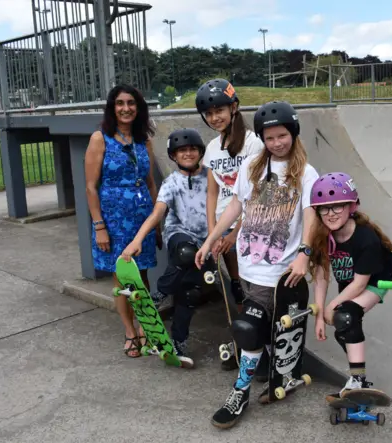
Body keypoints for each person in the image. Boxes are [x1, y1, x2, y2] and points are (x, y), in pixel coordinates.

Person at [194, 100, 319, 429]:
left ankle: (240, 391)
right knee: (266, 327)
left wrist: (305, 253)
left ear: (293, 133)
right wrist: (211, 239)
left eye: (282, 135)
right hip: (248, 267)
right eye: (270, 137)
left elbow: (311, 215)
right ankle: (280, 372)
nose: (277, 142)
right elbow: (236, 205)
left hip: (278, 273)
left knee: (246, 328)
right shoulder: (252, 166)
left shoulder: (306, 173)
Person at [119, 128, 211, 369]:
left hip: (206, 243)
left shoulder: (212, 177)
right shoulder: (172, 182)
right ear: (173, 156)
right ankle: (158, 296)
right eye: (182, 151)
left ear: (200, 152)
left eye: (192, 149)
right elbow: (158, 212)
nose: (188, 154)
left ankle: (178, 342)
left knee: (189, 295)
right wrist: (138, 239)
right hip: (179, 238)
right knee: (185, 253)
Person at [84, 84, 162, 359]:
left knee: (141, 275)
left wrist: (157, 224)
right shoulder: (100, 139)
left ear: (138, 108)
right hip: (114, 222)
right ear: (112, 108)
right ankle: (129, 330)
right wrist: (99, 227)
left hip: (142, 219)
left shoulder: (144, 141)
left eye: (131, 103)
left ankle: (145, 326)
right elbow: (91, 187)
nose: (126, 108)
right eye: (120, 103)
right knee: (122, 278)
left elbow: (151, 183)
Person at [195, 78, 265, 371]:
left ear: (234, 107)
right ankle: (244, 342)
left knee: (254, 289)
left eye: (219, 110)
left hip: (249, 225)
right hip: (224, 226)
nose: (215, 117)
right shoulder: (212, 147)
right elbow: (212, 192)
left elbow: (257, 194)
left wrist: (236, 233)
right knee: (237, 288)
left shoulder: (252, 143)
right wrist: (213, 234)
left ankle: (262, 348)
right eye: (209, 114)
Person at [307, 172, 392, 402]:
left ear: (351, 206)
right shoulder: (321, 236)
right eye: (324, 209)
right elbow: (321, 275)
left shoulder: (366, 238)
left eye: (337, 207)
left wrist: (333, 305)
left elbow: (361, 283)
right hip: (350, 281)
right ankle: (360, 378)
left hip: (374, 280)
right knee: (342, 325)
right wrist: (319, 315)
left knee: (346, 317)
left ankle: (357, 380)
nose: (331, 214)